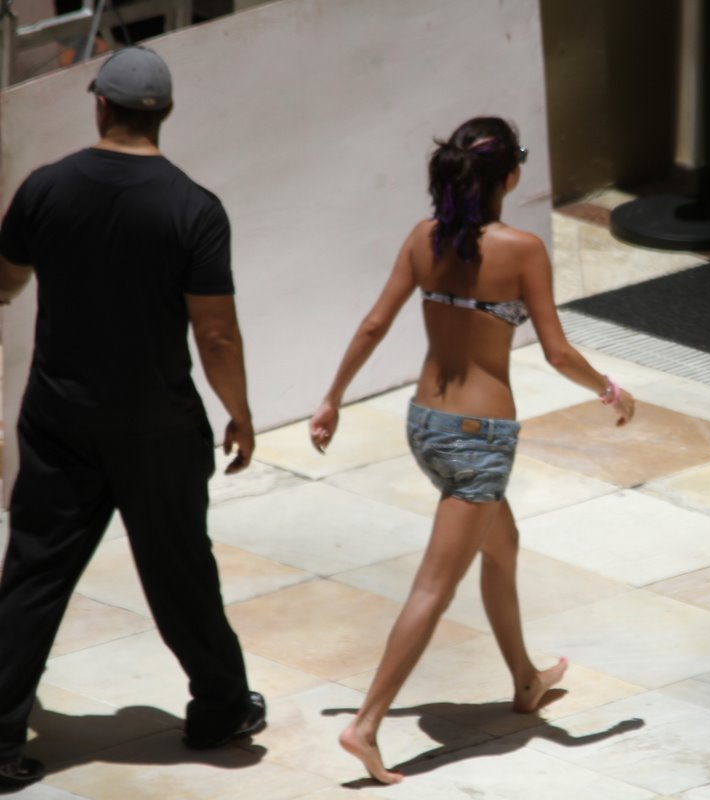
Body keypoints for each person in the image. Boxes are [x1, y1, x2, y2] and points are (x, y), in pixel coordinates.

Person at [309, 116, 635, 785]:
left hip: (425, 426)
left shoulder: (422, 238)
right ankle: (365, 724)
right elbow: (557, 352)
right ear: (509, 176)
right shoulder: (522, 251)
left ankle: (526, 679)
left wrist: (332, 398)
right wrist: (609, 388)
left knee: (502, 545)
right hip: (478, 440)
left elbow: (374, 323)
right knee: (435, 586)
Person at [0, 46, 264, 789]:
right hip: (157, 425)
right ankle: (220, 709)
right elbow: (216, 333)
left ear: (100, 105)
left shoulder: (45, 188)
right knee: (180, 570)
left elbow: (5, 279)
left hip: (59, 417)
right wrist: (239, 412)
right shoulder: (193, 208)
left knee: (35, 570)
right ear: (165, 113)